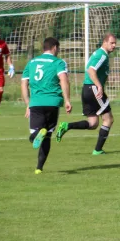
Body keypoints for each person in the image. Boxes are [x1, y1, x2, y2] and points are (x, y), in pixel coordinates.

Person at [56, 33, 117, 155]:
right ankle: (97, 150)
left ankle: (66, 126)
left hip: (87, 89)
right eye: (112, 43)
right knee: (108, 119)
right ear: (104, 42)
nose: (114, 46)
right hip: (94, 89)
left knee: (93, 123)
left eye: (115, 43)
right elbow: (91, 70)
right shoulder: (102, 55)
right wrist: (99, 85)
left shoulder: (98, 54)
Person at [21, 37, 72, 174]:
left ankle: (38, 133)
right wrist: (67, 100)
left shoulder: (31, 63)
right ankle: (39, 168)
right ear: (55, 47)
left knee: (34, 136)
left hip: (36, 103)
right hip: (53, 103)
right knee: (48, 135)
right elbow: (64, 80)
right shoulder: (58, 62)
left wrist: (28, 104)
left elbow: (24, 84)